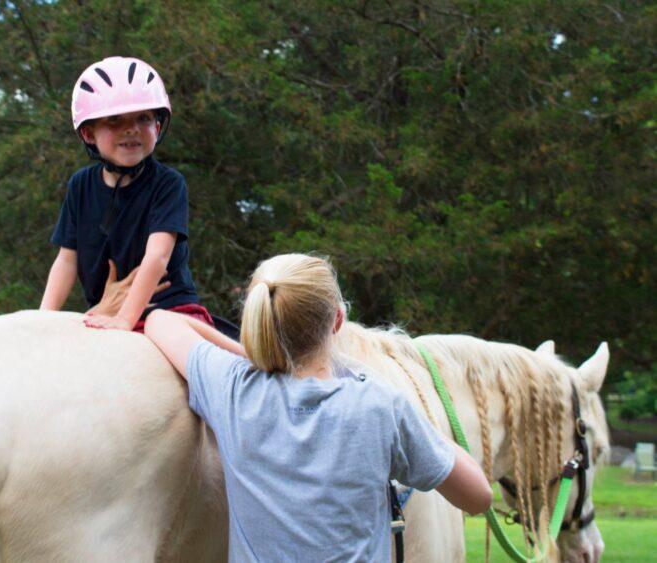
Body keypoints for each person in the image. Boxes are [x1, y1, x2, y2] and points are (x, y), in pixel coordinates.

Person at [144, 254, 492, 562]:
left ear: (260, 319)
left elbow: (162, 321)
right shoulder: (381, 405)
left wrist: (250, 357)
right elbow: (478, 497)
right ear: (338, 321)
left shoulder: (234, 388)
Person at [40, 56, 212, 333]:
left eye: (143, 118)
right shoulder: (80, 185)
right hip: (106, 313)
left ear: (157, 126)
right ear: (88, 133)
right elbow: (66, 259)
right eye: (115, 120)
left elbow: (157, 256)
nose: (131, 128)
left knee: (179, 341)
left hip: (167, 311)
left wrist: (124, 319)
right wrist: (43, 318)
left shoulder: (168, 184)